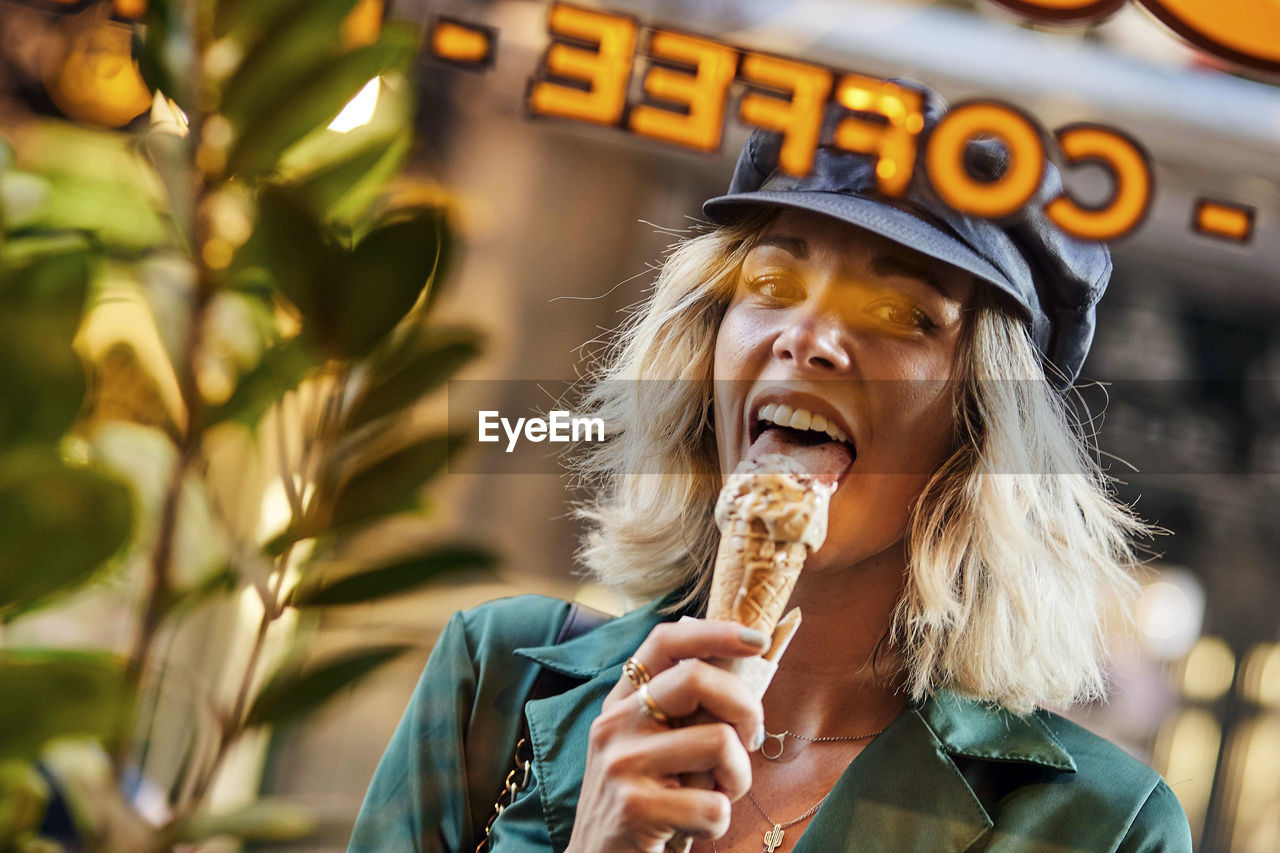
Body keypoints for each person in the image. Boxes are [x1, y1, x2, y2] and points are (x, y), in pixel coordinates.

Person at [349, 84, 1194, 852]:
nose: (810, 337)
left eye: (902, 313)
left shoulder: (1100, 825)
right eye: (773, 280)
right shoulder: (498, 674)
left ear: (981, 428)